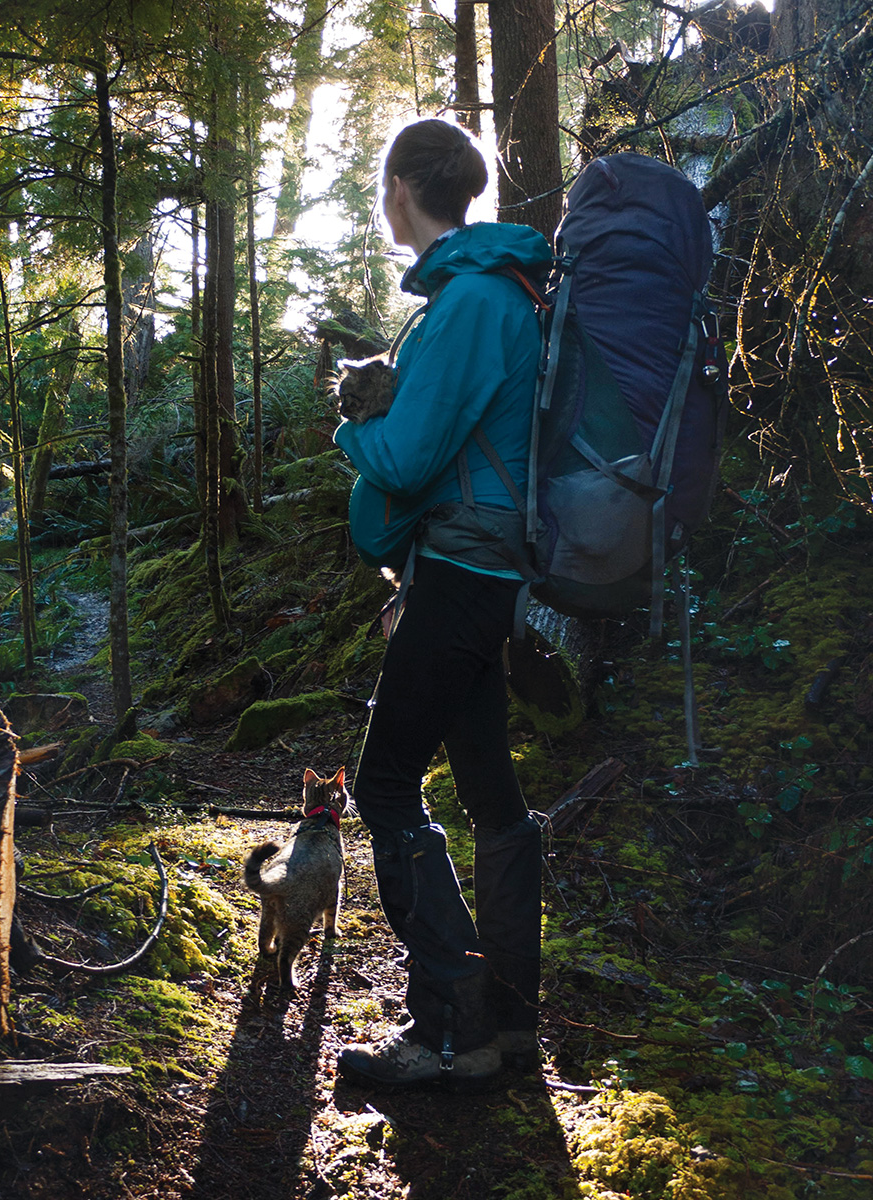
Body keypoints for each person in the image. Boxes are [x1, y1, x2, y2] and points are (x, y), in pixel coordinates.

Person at [333, 118, 550, 1091]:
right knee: (492, 793)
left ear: (407, 190)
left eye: (386, 186)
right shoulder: (489, 296)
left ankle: (451, 1029)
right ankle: (505, 1025)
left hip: (463, 577)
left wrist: (351, 438)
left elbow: (412, 459)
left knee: (383, 786)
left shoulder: (467, 305)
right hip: (482, 574)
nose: (383, 201)